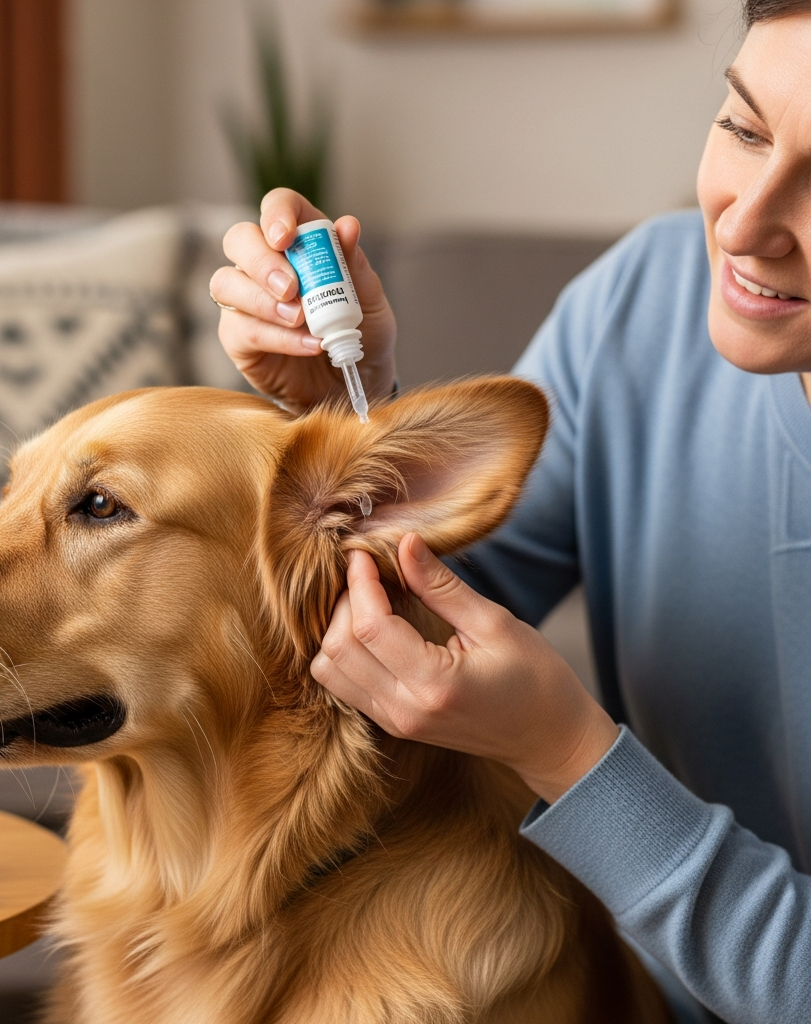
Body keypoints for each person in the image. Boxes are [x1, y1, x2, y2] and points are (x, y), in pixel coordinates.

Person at [209, 3, 811, 1022]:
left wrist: (569, 753)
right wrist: (348, 450)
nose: (745, 224)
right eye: (745, 129)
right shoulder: (645, 302)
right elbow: (413, 638)